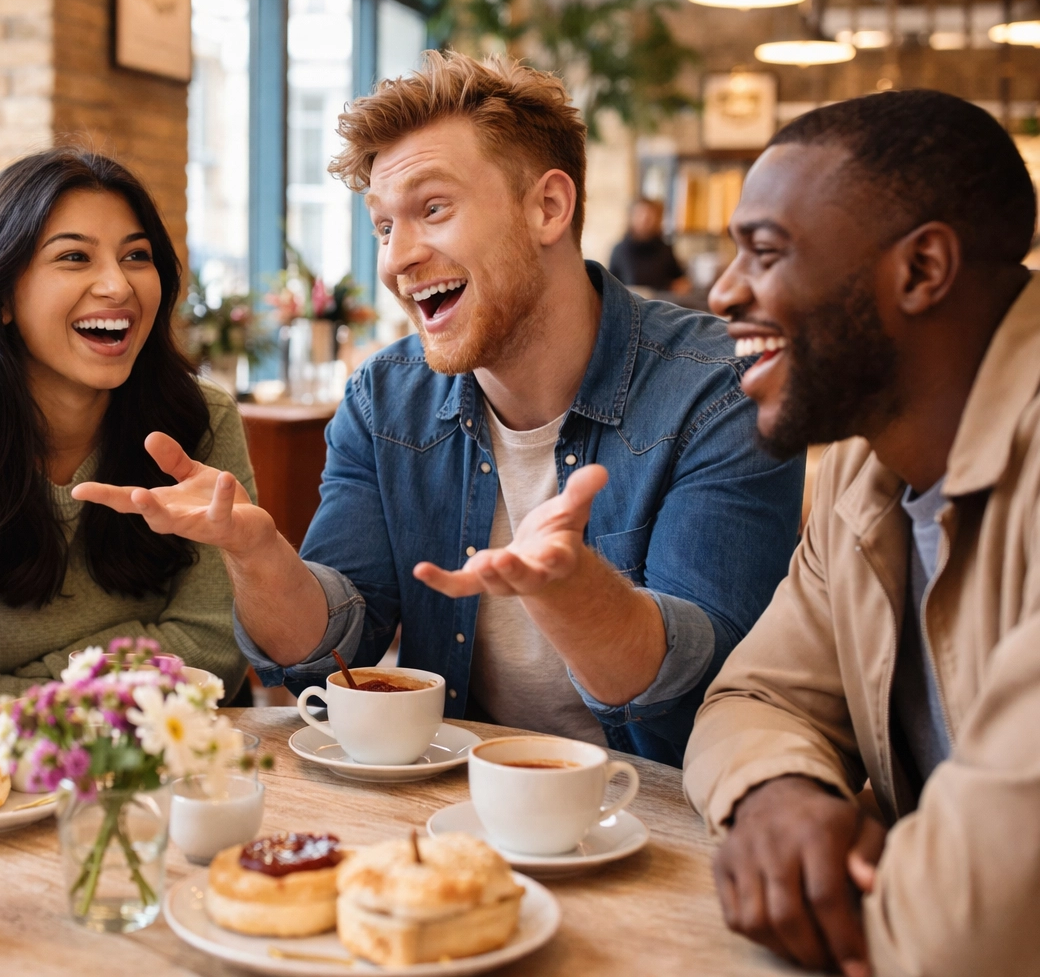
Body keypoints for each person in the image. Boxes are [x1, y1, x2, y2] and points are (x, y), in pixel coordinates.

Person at [73, 51, 803, 765]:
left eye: (432, 209)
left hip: (664, 819)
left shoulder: (719, 388)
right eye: (384, 227)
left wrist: (576, 593)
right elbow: (338, 651)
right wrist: (258, 557)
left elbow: (707, 676)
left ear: (548, 207)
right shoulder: (386, 398)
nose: (395, 260)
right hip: (455, 808)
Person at [684, 90, 1040, 977]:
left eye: (765, 253)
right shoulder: (865, 463)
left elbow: (968, 932)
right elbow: (754, 700)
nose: (724, 292)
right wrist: (780, 799)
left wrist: (821, 884)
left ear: (922, 269)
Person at [0, 148, 253, 741]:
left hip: (168, 771)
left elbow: (214, 648)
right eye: (74, 257)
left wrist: (28, 680)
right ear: (2, 295)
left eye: (136, 256)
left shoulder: (200, 420)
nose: (117, 285)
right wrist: (121, 673)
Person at [608, 197, 691, 297]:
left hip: (661, 305)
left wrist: (680, 285)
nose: (645, 219)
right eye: (640, 214)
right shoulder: (619, 250)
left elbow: (680, 280)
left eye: (649, 215)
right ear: (631, 217)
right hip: (630, 305)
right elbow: (610, 285)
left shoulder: (665, 249)